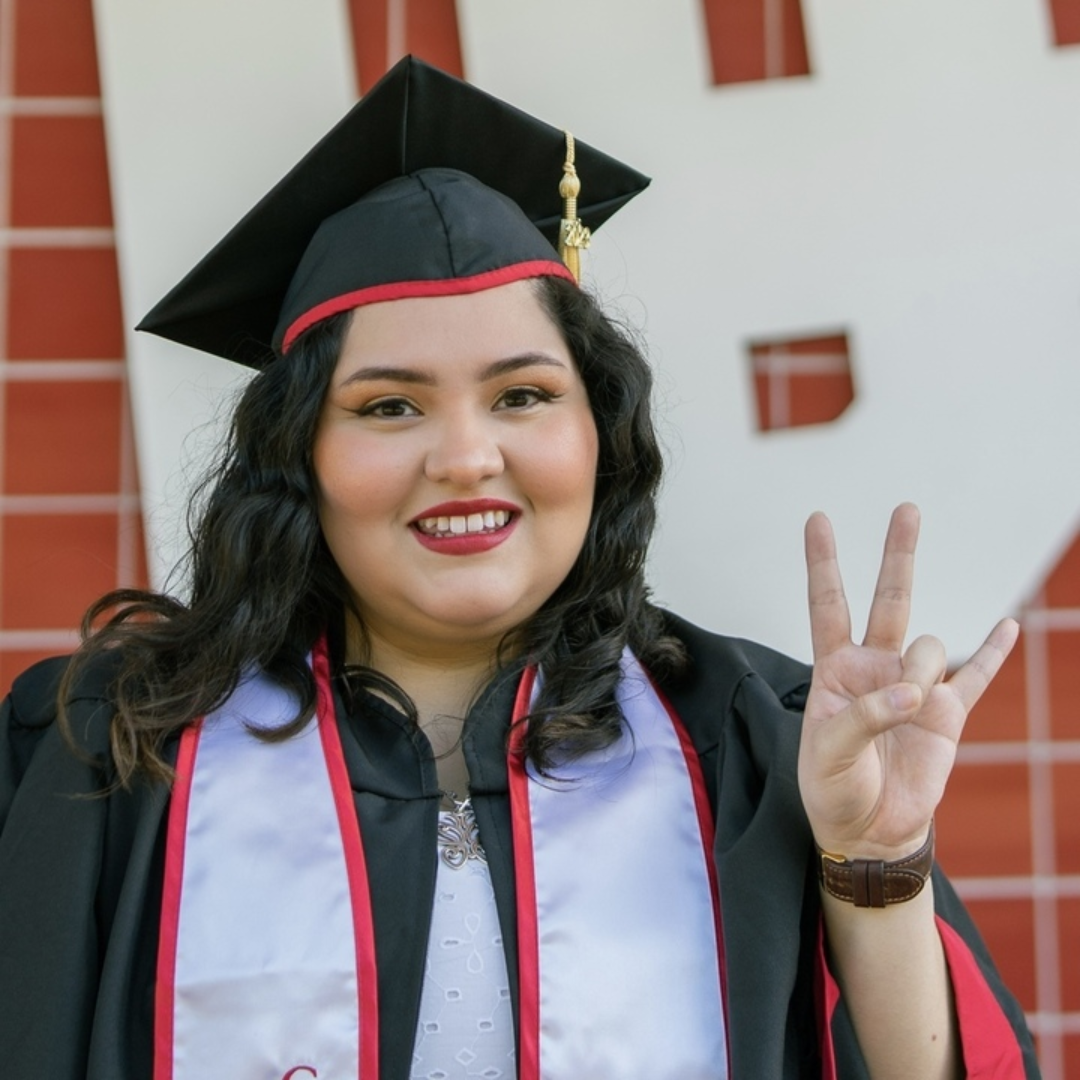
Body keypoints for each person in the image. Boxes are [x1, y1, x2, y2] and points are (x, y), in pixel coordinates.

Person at [0, 57, 1039, 1080]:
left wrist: (876, 865)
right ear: (298, 455)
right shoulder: (114, 755)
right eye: (388, 406)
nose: (465, 456)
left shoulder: (756, 744)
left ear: (601, 436)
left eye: (523, 396)